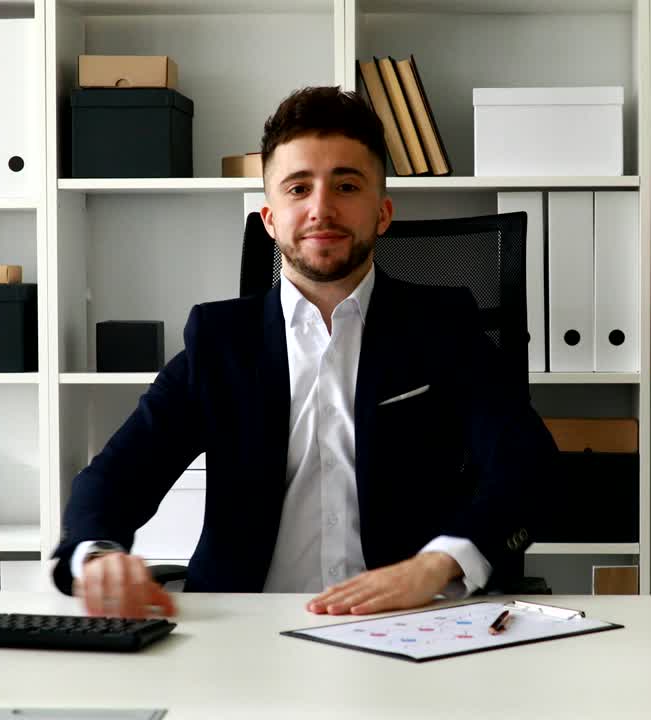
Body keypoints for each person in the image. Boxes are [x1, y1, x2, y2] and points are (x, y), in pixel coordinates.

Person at [50, 86, 557, 619]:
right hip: (246, 630)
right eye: (298, 188)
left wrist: (439, 562)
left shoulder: (442, 327)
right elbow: (114, 476)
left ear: (382, 213)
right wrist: (97, 555)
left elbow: (530, 467)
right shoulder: (219, 341)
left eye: (346, 185)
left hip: (409, 623)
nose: (322, 208)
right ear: (269, 219)